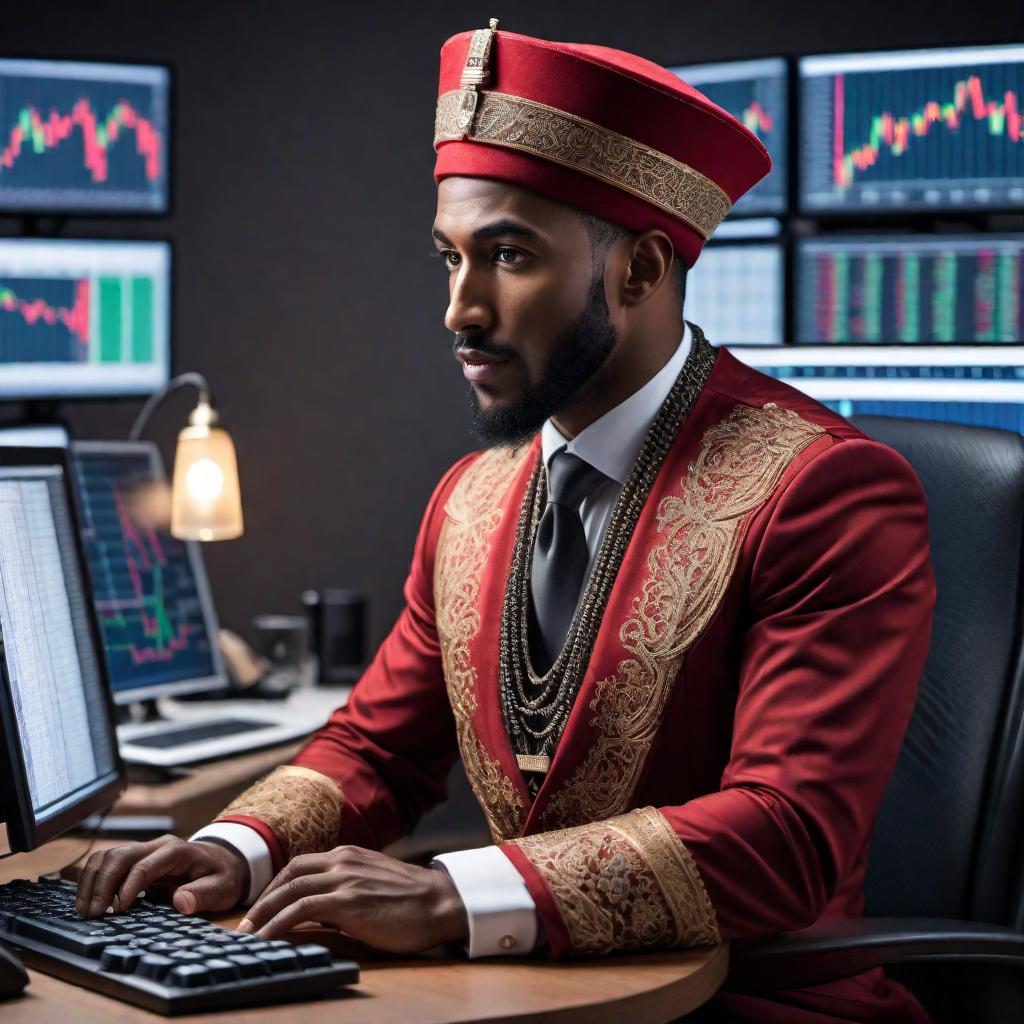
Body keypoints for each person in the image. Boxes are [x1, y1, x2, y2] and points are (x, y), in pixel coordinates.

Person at [76, 21, 936, 1024]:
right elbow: (378, 750)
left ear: (642, 270)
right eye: (449, 258)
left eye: (508, 255)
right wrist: (232, 848)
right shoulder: (472, 495)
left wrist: (450, 893)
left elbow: (790, 835)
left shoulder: (823, 490)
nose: (459, 309)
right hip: (519, 995)